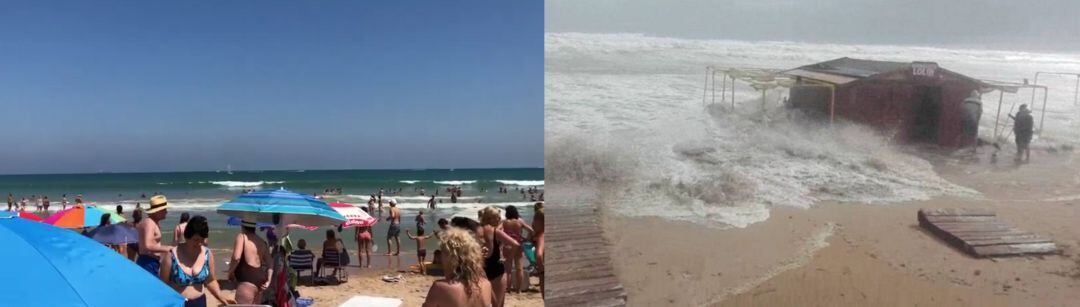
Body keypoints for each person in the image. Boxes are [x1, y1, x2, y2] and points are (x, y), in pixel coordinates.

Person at [159, 216, 234, 307]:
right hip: (177, 303)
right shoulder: (171, 256)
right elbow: (162, 285)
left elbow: (210, 280)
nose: (199, 243)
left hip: (200, 302)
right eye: (196, 240)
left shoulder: (207, 254)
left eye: (202, 239)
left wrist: (220, 296)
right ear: (187, 237)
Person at [421, 228, 493, 307]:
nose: (440, 256)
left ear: (452, 258)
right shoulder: (486, 285)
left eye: (443, 252)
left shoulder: (440, 288)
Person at [479, 206, 520, 307]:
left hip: (481, 271)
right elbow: (515, 244)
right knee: (498, 304)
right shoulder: (495, 231)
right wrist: (508, 259)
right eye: (497, 217)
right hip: (497, 271)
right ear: (490, 218)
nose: (500, 219)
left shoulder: (477, 230)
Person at [228, 220, 272, 304]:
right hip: (260, 281)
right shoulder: (262, 242)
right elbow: (270, 263)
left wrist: (230, 272)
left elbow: (236, 258)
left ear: (242, 227)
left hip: (246, 280)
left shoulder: (242, 237)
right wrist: (268, 281)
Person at [501, 206, 534, 293]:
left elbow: (498, 231)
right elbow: (531, 230)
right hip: (518, 244)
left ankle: (508, 289)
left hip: (508, 245)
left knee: (508, 269)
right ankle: (518, 289)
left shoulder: (504, 222)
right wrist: (527, 239)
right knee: (519, 267)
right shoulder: (520, 221)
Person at [137, 195, 173, 275]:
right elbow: (148, 245)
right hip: (148, 262)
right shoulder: (149, 222)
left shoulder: (150, 222)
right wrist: (169, 248)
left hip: (149, 261)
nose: (166, 212)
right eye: (164, 210)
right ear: (157, 211)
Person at [531, 202, 545, 297]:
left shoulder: (541, 236)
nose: (532, 223)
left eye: (535, 220)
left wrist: (541, 271)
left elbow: (539, 255)